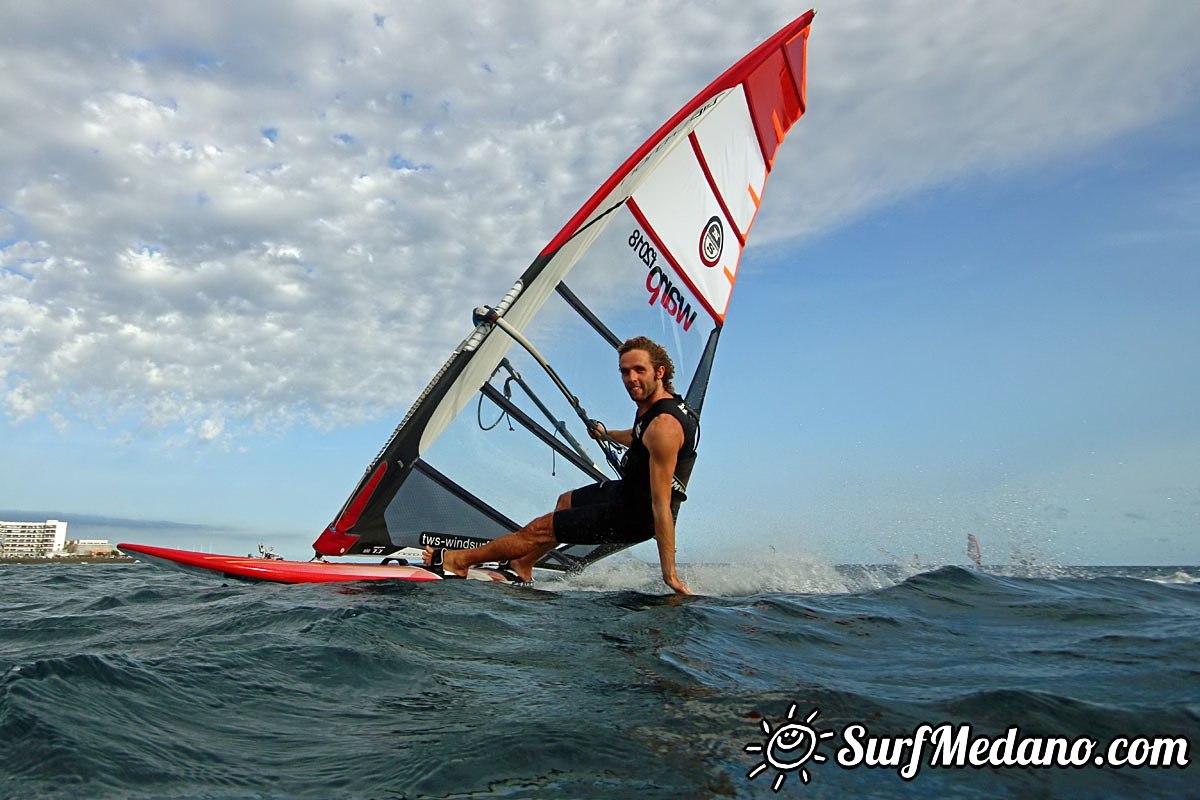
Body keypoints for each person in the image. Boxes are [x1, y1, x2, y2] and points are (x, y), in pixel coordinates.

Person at [423, 336, 698, 594]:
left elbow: (661, 506)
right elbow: (639, 435)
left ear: (659, 372)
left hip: (638, 515)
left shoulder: (665, 427)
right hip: (629, 492)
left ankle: (459, 561)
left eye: (639, 370)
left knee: (538, 530)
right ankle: (522, 565)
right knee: (565, 501)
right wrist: (607, 434)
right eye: (625, 372)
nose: (631, 378)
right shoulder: (660, 405)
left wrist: (669, 574)